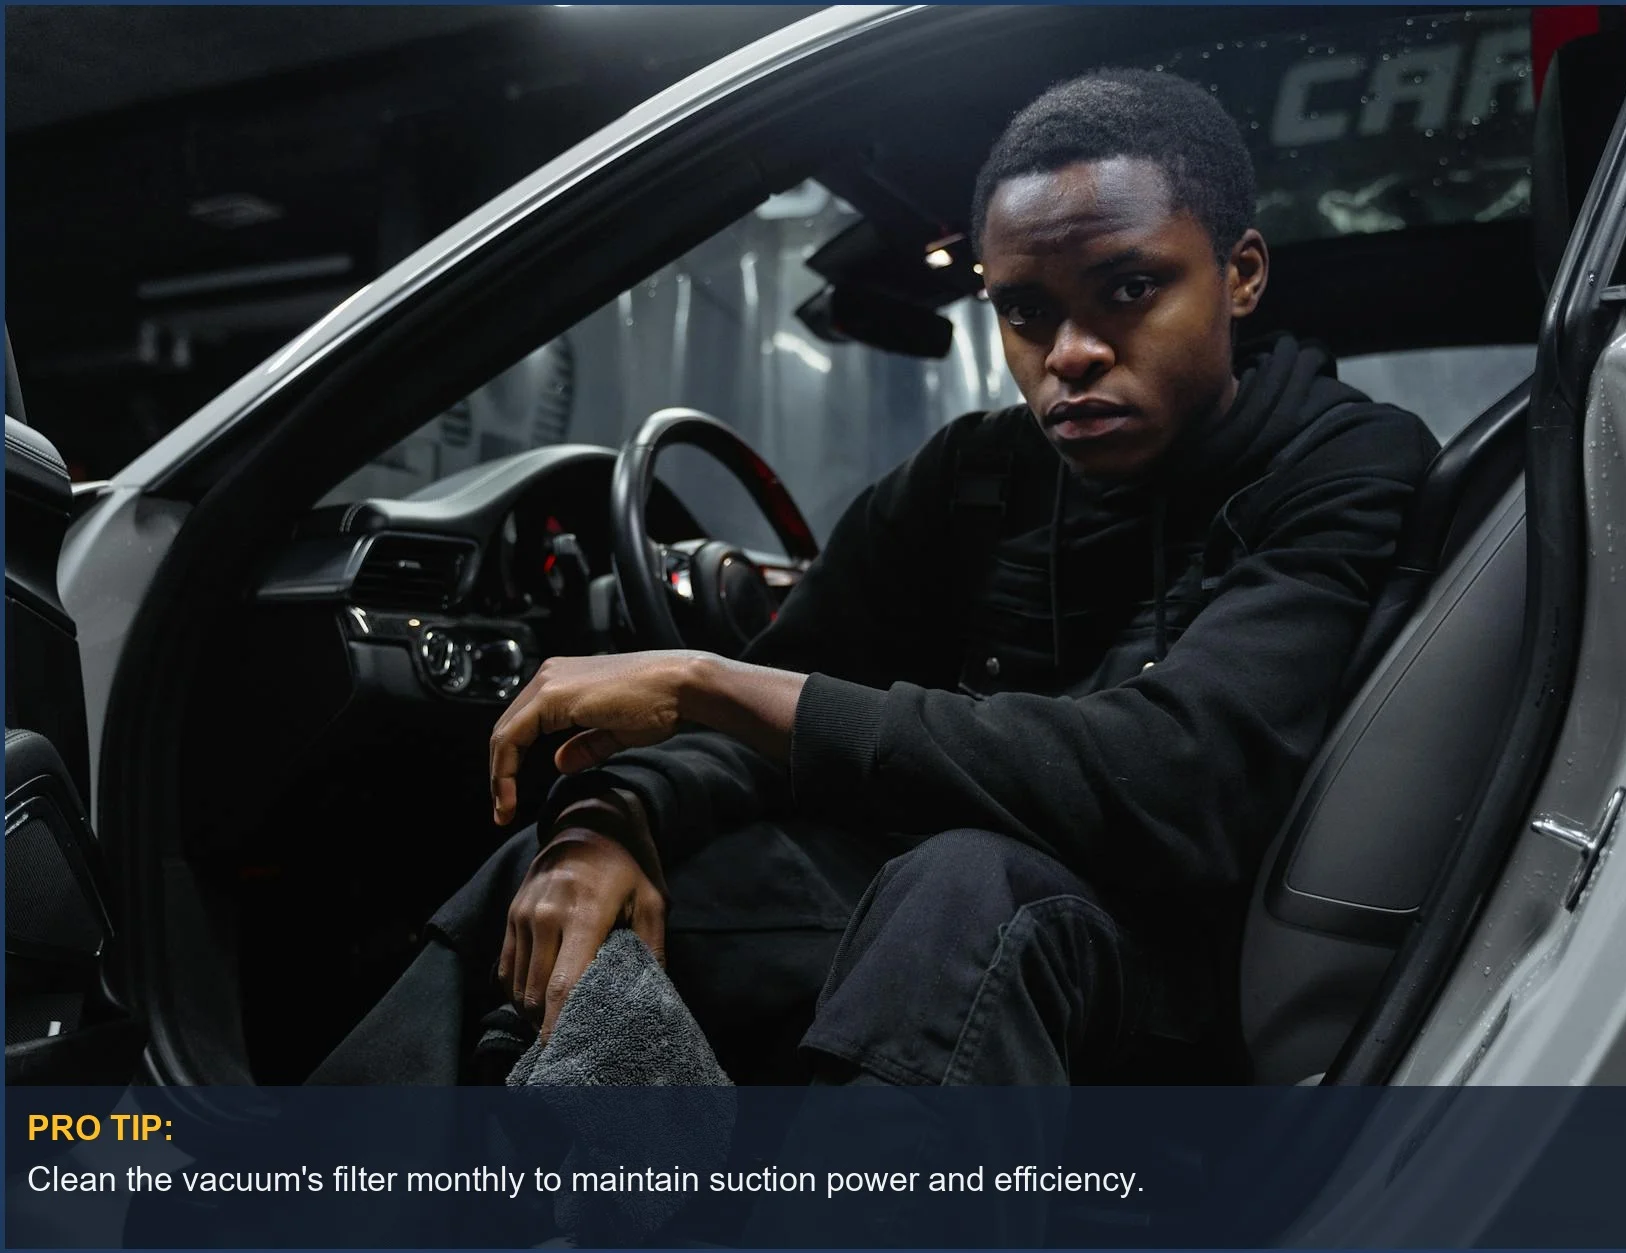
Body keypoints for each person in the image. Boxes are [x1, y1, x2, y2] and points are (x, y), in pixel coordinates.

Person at [313, 68, 1438, 1089]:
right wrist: (612, 814)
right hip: (932, 923)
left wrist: (708, 680)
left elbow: (1178, 785)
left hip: (1177, 980)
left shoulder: (1338, 461)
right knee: (562, 877)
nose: (1070, 352)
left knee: (967, 885)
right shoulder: (975, 477)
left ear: (1240, 276)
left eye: (1130, 288)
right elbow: (787, 693)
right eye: (1025, 311)